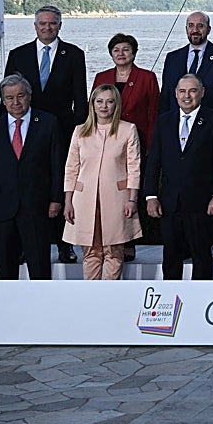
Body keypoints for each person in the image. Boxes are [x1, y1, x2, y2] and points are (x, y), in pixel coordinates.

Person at [4, 5, 88, 264]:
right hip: (24, 132)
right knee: (25, 186)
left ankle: (64, 246)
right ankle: (20, 246)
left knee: (60, 187)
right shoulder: (18, 55)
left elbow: (80, 100)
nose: (47, 28)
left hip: (61, 134)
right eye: (42, 23)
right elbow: (7, 95)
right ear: (35, 26)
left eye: (52, 23)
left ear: (60, 25)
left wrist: (78, 135)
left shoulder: (73, 54)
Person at [0, 75, 63, 280]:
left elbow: (57, 165)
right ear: (3, 100)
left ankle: (40, 308)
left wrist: (56, 199)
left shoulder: (48, 123)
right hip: (2, 208)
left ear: (29, 96)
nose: (15, 102)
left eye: (20, 96)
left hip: (37, 206)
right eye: (9, 98)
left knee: (39, 266)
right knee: (5, 268)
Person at [145, 75, 213, 280]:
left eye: (192, 91)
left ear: (202, 92)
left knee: (201, 257)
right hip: (170, 203)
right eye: (182, 91)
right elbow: (154, 161)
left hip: (201, 202)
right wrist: (151, 195)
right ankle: (172, 304)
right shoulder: (164, 120)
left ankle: (199, 305)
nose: (187, 96)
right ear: (175, 93)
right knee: (171, 257)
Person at [63, 84, 143, 280]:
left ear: (116, 104)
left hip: (117, 200)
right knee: (90, 252)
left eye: (109, 101)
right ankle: (92, 298)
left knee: (114, 252)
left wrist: (132, 199)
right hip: (84, 200)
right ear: (92, 104)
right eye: (99, 101)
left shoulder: (128, 130)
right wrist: (68, 201)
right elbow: (71, 168)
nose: (104, 106)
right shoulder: (80, 131)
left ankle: (111, 296)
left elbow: (134, 167)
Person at [92, 32, 160, 262]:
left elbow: (154, 114)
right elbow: (92, 110)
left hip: (136, 142)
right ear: (111, 54)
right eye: (116, 50)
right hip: (106, 144)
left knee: (132, 192)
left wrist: (151, 144)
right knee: (107, 192)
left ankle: (129, 241)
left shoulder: (147, 77)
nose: (121, 54)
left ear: (133, 53)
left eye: (125, 50)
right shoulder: (102, 77)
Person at [158, 11, 213, 123]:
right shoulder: (172, 58)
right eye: (191, 26)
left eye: (200, 26)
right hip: (176, 125)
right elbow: (166, 97)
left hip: (210, 125)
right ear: (186, 30)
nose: (195, 30)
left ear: (208, 29)